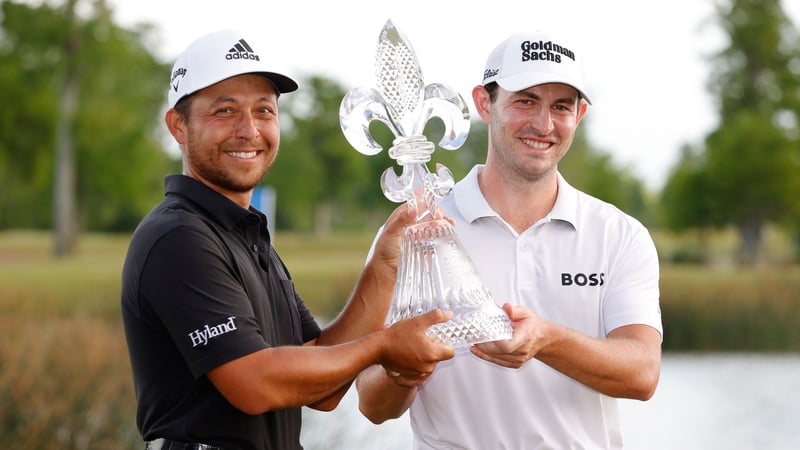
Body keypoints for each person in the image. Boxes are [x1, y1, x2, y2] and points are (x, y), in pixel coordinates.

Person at [120, 28, 454, 450]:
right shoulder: (178, 236)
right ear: (178, 126)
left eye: (264, 110)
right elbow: (256, 383)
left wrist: (384, 268)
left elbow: (323, 385)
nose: (249, 130)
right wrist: (384, 346)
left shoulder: (247, 234)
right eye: (224, 111)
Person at [355, 30, 663, 449]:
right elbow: (373, 405)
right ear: (485, 103)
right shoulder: (415, 230)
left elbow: (642, 373)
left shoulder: (618, 234)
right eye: (525, 101)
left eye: (561, 107)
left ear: (581, 113)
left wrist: (547, 340)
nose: (544, 124)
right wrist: (408, 367)